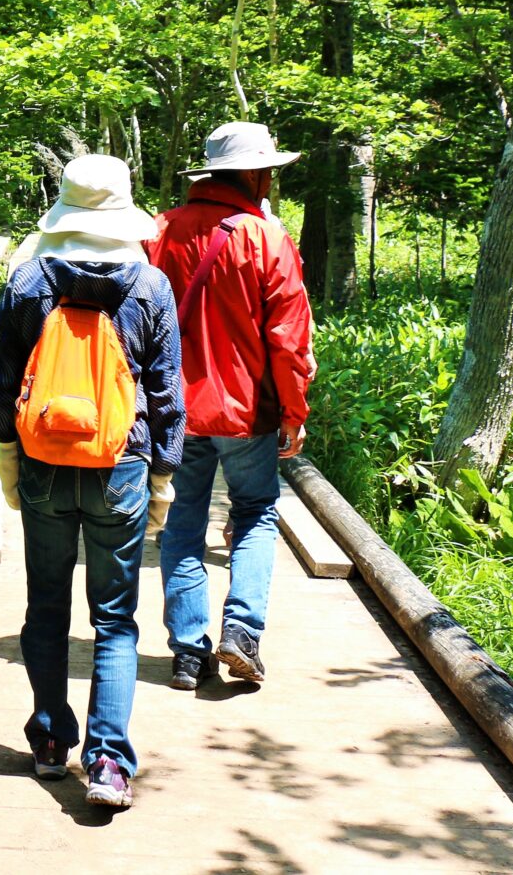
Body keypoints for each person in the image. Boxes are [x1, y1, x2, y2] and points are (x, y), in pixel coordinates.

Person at [0, 154, 186, 810]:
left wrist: (8, 453)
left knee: (46, 606)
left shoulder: (25, 282)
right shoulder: (151, 286)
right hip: (121, 469)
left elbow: (2, 384)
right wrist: (163, 474)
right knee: (115, 620)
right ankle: (107, 761)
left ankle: (50, 741)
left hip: (45, 463)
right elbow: (165, 393)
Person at [148, 121, 315, 692]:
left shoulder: (160, 231)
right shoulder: (268, 239)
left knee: (182, 523)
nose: (270, 179)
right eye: (267, 169)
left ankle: (187, 653)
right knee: (255, 513)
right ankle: (241, 633)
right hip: (246, 412)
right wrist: (295, 409)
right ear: (251, 173)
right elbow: (289, 339)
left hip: (173, 410)